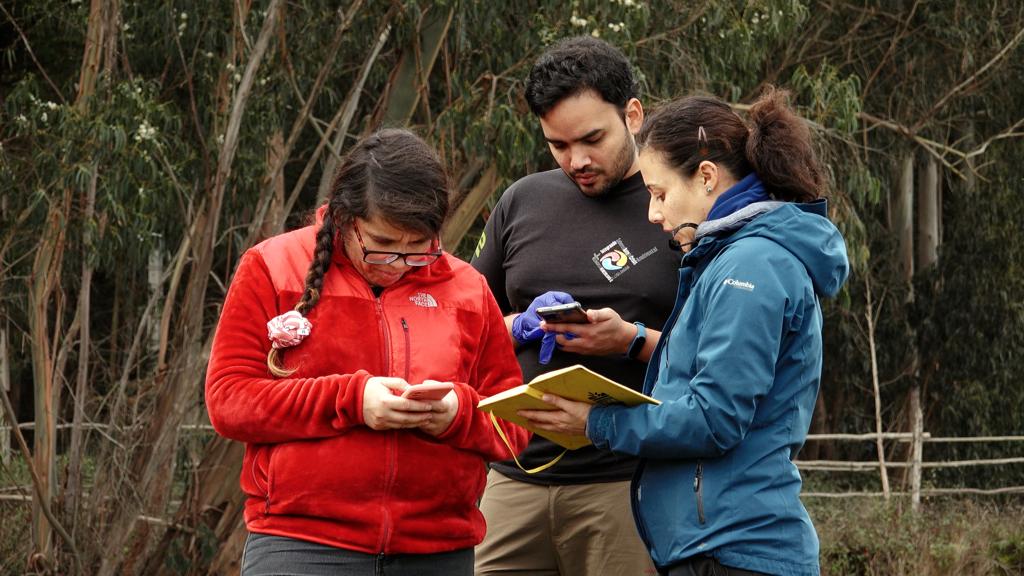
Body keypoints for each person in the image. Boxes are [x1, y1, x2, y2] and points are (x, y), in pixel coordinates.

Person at [522, 88, 850, 576]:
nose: (653, 213)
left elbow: (714, 418)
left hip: (736, 550)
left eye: (659, 194)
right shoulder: (730, 259)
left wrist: (596, 423)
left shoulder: (751, 265)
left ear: (706, 177)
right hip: (714, 545)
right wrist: (633, 340)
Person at [205, 129, 530, 576]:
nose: (398, 265)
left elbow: (514, 422)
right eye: (383, 246)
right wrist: (353, 401)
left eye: (418, 249)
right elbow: (229, 399)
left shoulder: (468, 289)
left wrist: (456, 413)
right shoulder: (272, 266)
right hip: (303, 545)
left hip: (438, 548)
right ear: (344, 218)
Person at [471, 36, 680, 576]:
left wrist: (630, 341)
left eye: (592, 139)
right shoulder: (522, 200)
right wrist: (518, 325)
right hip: (513, 477)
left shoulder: (678, 207)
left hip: (628, 483)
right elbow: (462, 327)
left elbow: (716, 355)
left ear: (632, 115)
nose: (577, 161)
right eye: (558, 145)